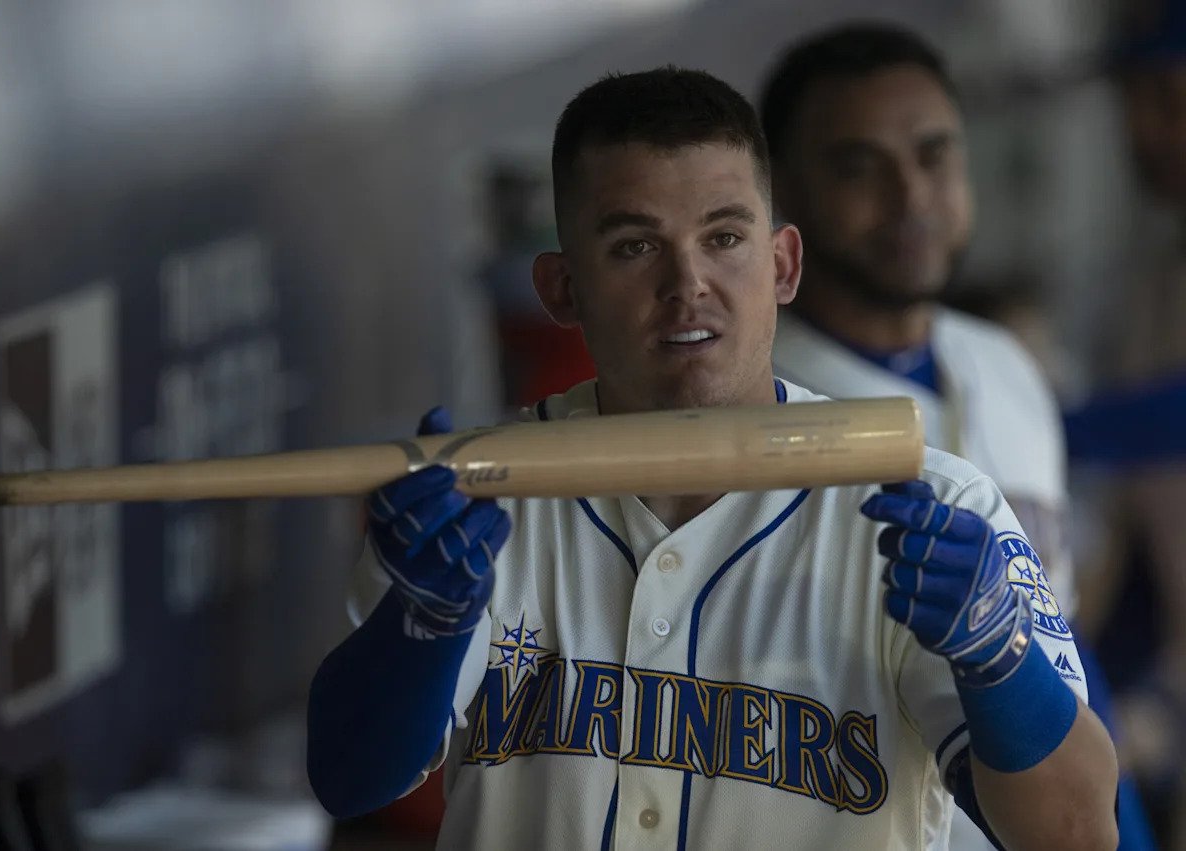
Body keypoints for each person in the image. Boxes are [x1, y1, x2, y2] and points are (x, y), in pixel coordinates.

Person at [306, 66, 1118, 849]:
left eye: (724, 237)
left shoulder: (930, 505)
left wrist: (997, 654)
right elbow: (349, 779)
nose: (687, 282)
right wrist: (422, 625)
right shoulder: (480, 502)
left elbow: (1078, 835)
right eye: (634, 246)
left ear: (783, 264)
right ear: (561, 287)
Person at [757, 23, 1152, 849]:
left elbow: (1059, 640)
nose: (910, 196)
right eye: (858, 166)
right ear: (783, 192)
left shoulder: (1004, 364)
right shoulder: (757, 406)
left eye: (933, 154)